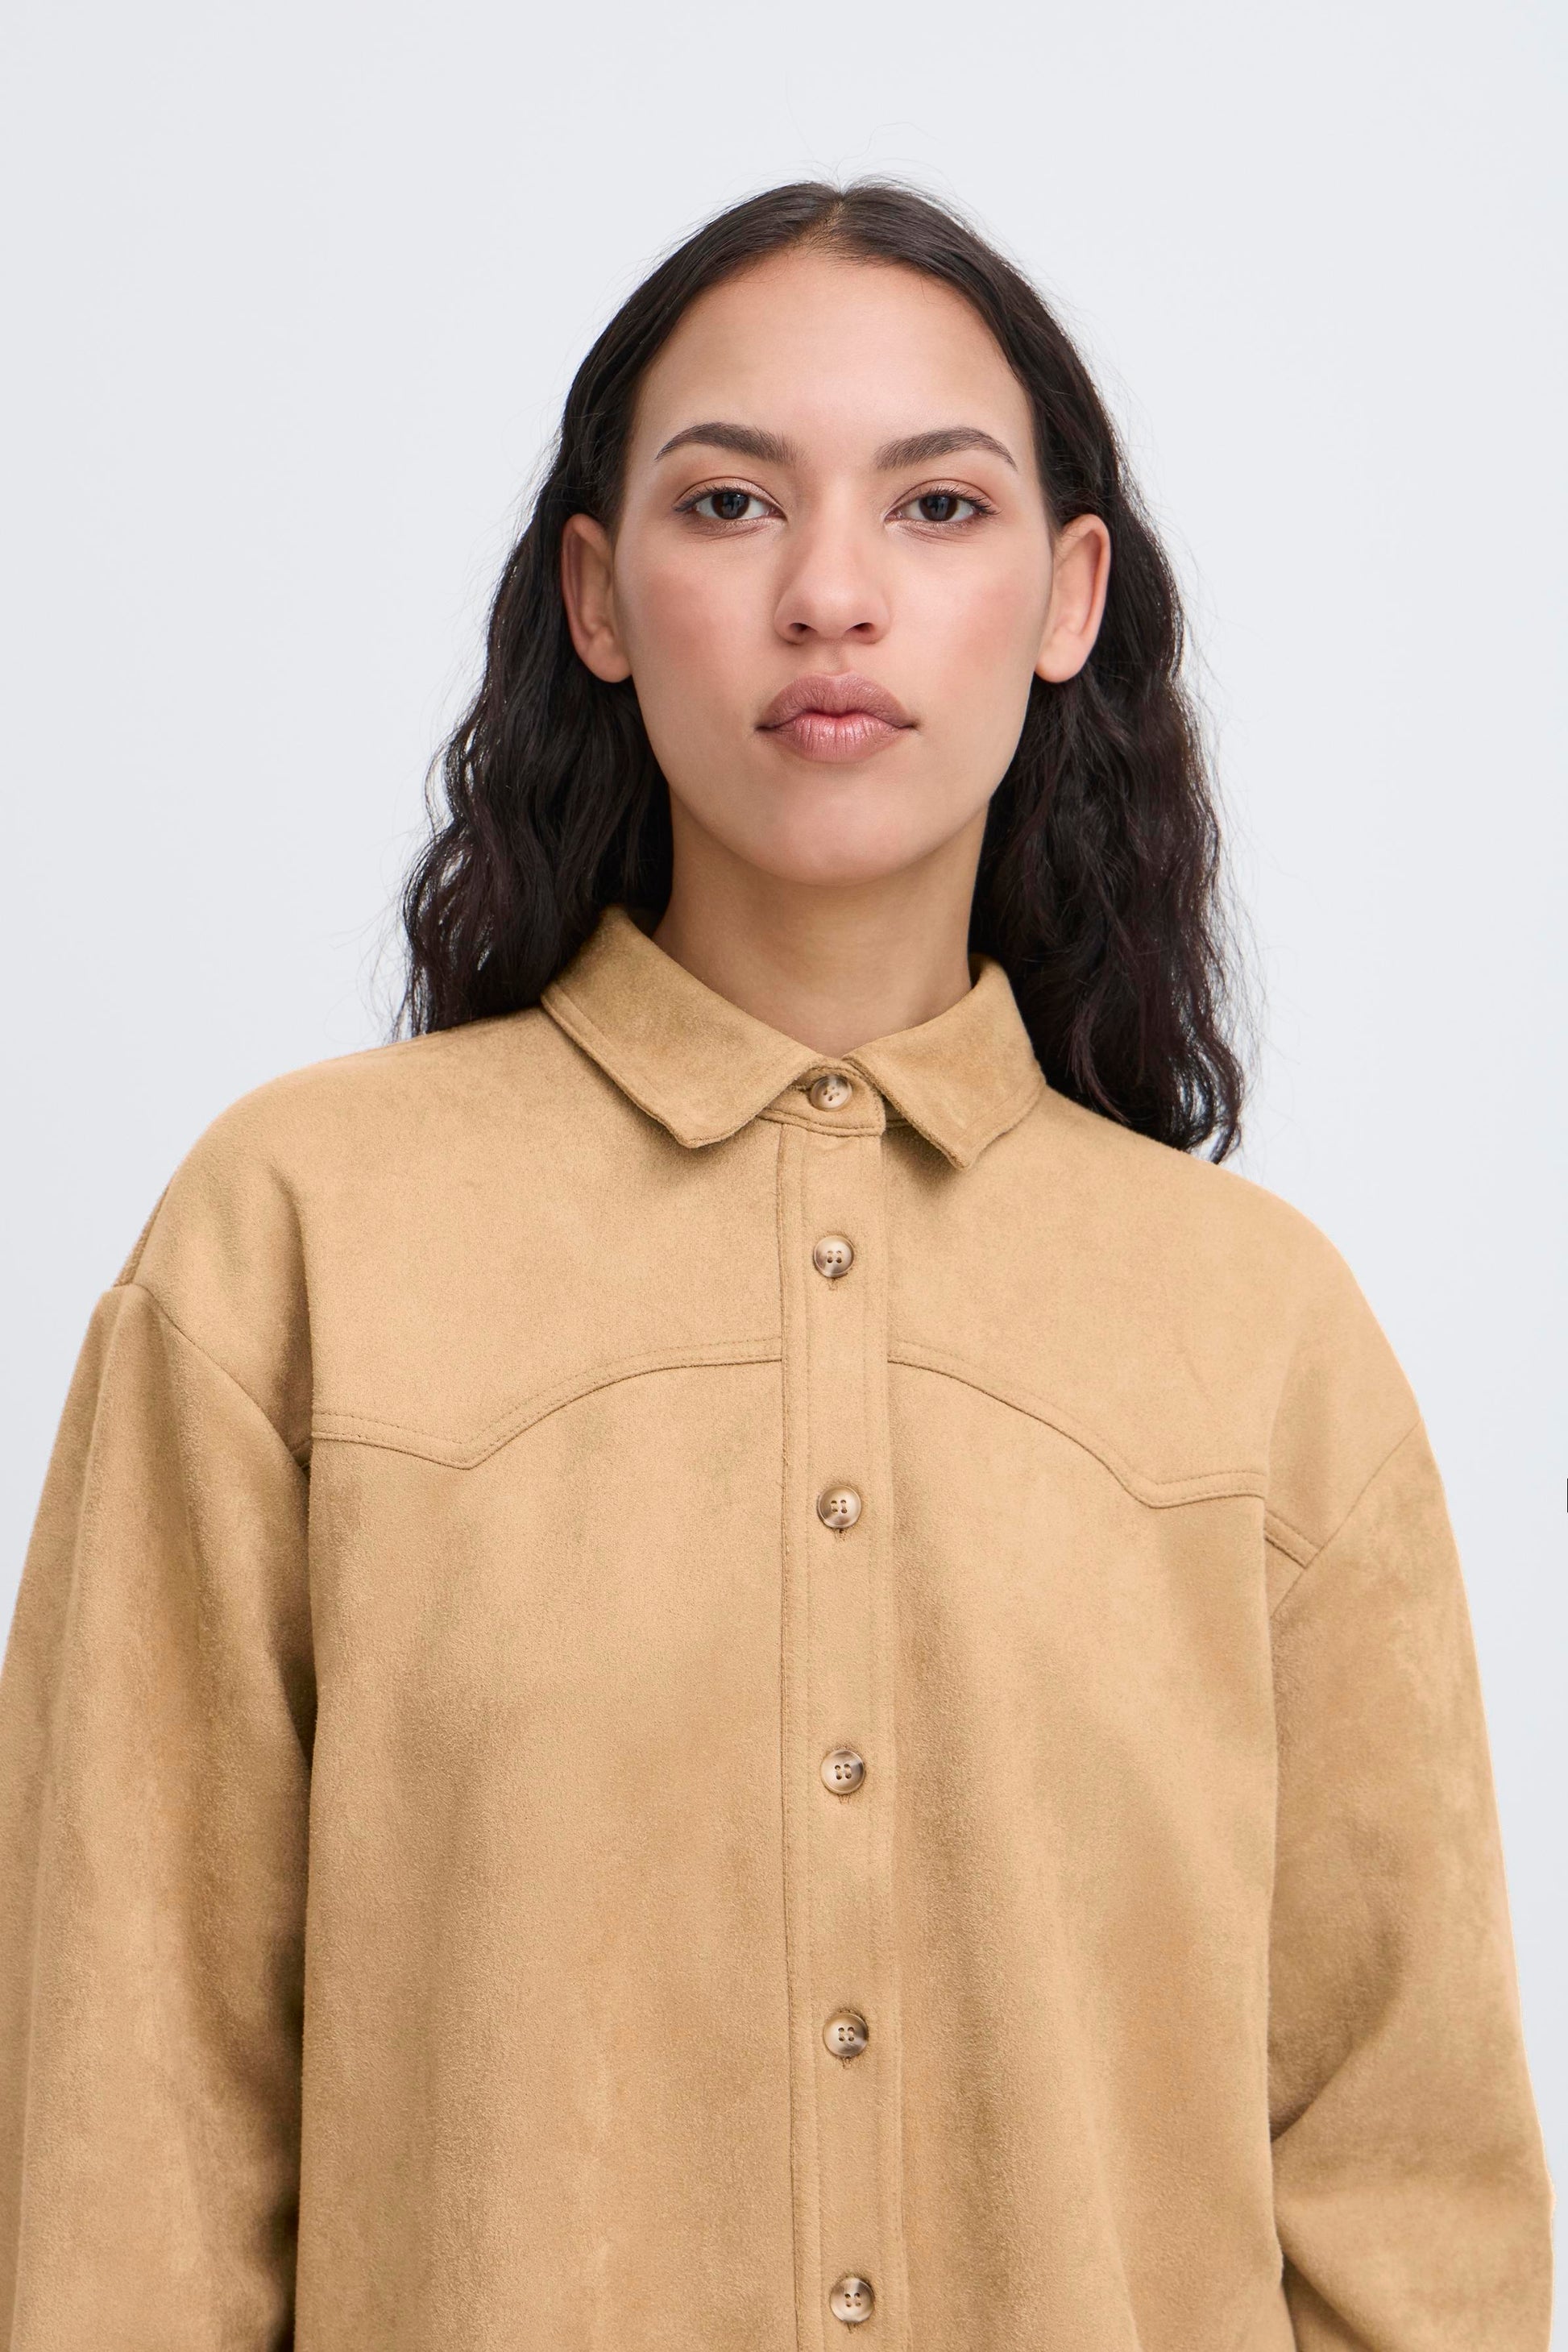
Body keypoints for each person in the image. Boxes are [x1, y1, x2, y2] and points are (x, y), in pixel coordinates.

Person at [0, 179, 1553, 2350]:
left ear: (1064, 594)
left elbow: (1411, 2206)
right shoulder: (293, 1251)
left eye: (935, 508)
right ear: (599, 595)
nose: (831, 595)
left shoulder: (1257, 1337)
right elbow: (117, 2152)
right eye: (727, 505)